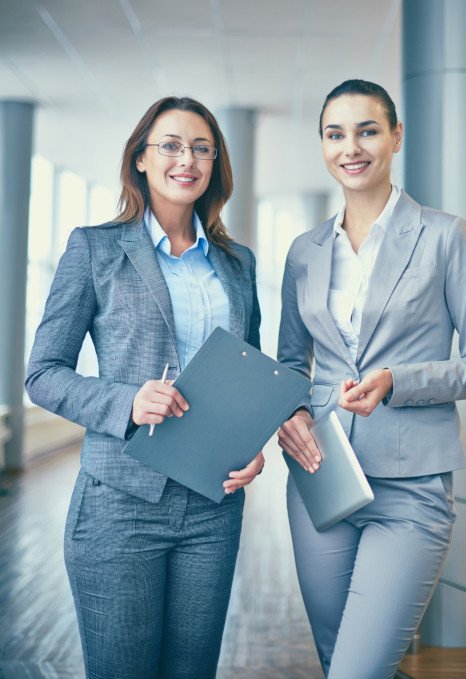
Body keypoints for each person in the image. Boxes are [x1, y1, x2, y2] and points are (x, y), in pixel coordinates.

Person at [277, 79, 466, 679]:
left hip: (411, 489)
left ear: (396, 137)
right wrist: (292, 412)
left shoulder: (443, 235)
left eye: (368, 130)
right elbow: (287, 364)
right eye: (335, 134)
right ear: (323, 145)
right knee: (340, 663)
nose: (350, 147)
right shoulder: (305, 251)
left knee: (358, 669)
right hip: (320, 475)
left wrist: (396, 380)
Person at [26, 96, 264, 679]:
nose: (188, 159)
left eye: (202, 148)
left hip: (214, 505)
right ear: (140, 158)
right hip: (119, 505)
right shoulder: (95, 249)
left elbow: (249, 373)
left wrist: (251, 443)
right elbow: (42, 373)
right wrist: (125, 401)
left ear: (215, 163)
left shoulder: (238, 265)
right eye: (172, 145)